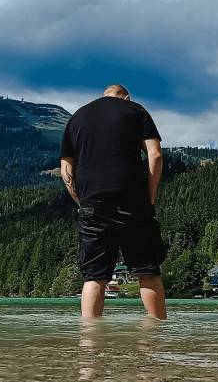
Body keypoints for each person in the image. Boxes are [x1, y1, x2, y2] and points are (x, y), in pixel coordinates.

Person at [59, 84, 167, 319]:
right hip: (134, 203)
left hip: (92, 205)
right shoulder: (136, 110)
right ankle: (157, 338)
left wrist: (82, 202)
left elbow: (66, 169)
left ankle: (89, 344)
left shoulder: (77, 117)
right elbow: (155, 155)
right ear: (126, 97)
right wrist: (149, 197)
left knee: (94, 276)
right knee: (147, 271)